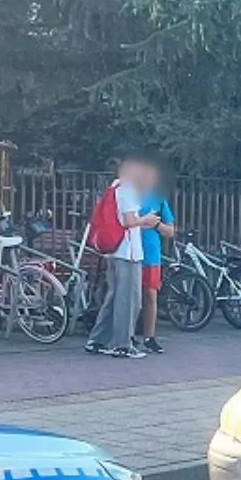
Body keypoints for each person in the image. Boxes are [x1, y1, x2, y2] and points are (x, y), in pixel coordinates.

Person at [85, 153, 162, 359]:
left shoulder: (114, 188)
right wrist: (145, 220)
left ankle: (98, 340)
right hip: (127, 253)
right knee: (129, 301)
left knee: (114, 298)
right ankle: (123, 344)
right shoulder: (127, 190)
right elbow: (128, 221)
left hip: (115, 252)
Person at [137, 178, 177, 354]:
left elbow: (170, 231)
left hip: (152, 255)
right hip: (132, 254)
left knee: (150, 295)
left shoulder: (158, 199)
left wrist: (157, 224)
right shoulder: (129, 198)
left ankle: (149, 337)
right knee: (132, 298)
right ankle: (128, 335)